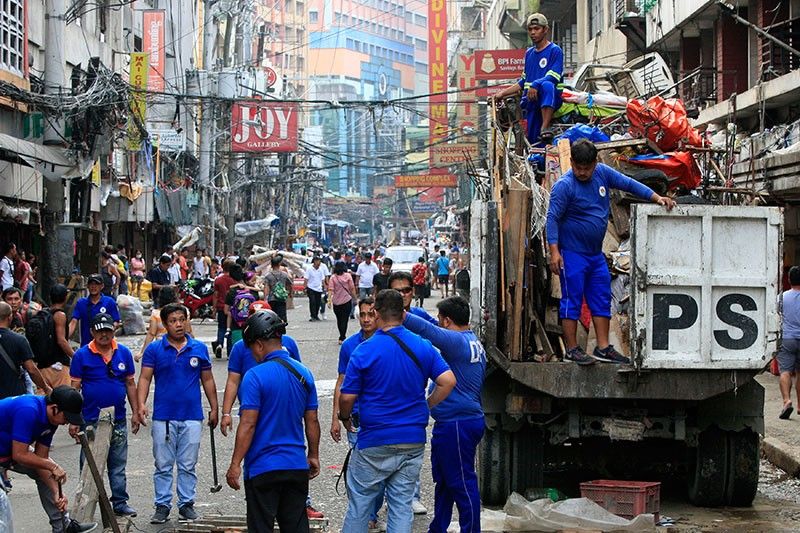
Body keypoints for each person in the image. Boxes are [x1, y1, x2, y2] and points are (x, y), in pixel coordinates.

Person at [546, 139, 676, 365]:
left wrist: (657, 198)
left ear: (595, 163)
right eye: (578, 168)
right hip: (572, 254)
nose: (583, 172)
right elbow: (552, 219)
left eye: (587, 168)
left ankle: (603, 347)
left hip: (595, 255)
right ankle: (572, 349)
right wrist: (554, 252)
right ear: (573, 164)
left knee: (601, 298)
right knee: (571, 301)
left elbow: (630, 184)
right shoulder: (564, 186)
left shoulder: (603, 173)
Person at [339, 289, 456, 532]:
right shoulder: (422, 346)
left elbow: (347, 396)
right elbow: (448, 381)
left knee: (360, 503)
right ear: (404, 314)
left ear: (377, 313)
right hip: (412, 440)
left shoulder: (364, 350)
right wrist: (427, 404)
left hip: (374, 439)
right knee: (401, 505)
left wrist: (344, 416)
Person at [225, 311, 321, 533]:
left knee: (261, 528)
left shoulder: (255, 376)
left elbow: (248, 424)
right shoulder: (304, 373)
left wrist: (235, 464)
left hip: (263, 467)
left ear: (258, 345)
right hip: (296, 466)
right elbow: (312, 420)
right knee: (296, 527)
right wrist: (313, 455)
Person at [403, 297, 486, 533]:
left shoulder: (456, 342)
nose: (439, 323)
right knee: (445, 482)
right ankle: (437, 528)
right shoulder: (471, 339)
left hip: (458, 423)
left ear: (448, 321)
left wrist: (401, 314)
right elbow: (431, 323)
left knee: (461, 482)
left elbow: (428, 329)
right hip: (457, 422)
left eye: (441, 319)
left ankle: (471, 530)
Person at [136, 303, 219, 524]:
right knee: (163, 464)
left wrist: (215, 407)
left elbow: (208, 379)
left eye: (182, 319)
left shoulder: (198, 349)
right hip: (163, 417)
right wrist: (140, 405)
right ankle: (162, 505)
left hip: (192, 415)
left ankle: (186, 504)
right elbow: (144, 378)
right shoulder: (154, 350)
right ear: (164, 325)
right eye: (173, 321)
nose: (179, 324)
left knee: (187, 464)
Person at [0, 386, 98, 533]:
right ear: (54, 408)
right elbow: (19, 454)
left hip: (8, 451)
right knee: (2, 503)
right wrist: (52, 466)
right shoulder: (28, 410)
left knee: (46, 472)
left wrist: (57, 493)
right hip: (11, 452)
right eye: (66, 417)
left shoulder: (51, 420)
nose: (66, 423)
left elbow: (41, 459)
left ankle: (62, 527)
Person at [69, 313, 138, 517]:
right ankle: (85, 507)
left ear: (113, 330)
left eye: (107, 330)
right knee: (88, 467)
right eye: (99, 331)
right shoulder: (81, 355)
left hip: (117, 419)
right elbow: (74, 389)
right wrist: (73, 420)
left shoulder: (123, 353)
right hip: (90, 420)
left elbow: (130, 384)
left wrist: (136, 412)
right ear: (92, 332)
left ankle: (120, 502)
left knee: (117, 465)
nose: (104, 334)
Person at [331, 297, 385, 530]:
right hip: (355, 419)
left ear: (378, 315)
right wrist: (335, 417)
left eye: (370, 314)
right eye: (362, 314)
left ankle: (371, 510)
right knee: (359, 472)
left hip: (382, 419)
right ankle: (366, 514)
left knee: (381, 473)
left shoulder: (388, 343)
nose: (366, 319)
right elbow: (341, 382)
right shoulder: (349, 346)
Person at [492, 13, 563, 145]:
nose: (533, 32)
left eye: (536, 29)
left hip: (550, 98)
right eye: (530, 29)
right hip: (531, 101)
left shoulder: (555, 50)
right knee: (533, 140)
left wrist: (536, 84)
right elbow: (523, 81)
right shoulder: (529, 53)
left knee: (547, 85)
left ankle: (545, 126)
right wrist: (502, 93)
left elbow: (554, 77)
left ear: (545, 30)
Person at [0, 301, 50, 399]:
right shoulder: (19, 339)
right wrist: (46, 388)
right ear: (10, 317)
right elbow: (31, 369)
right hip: (13, 395)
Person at [34, 284, 74, 392]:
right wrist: (75, 356)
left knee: (45, 401)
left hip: (42, 366)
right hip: (57, 366)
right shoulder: (59, 315)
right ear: (65, 297)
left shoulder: (43, 313)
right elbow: (61, 340)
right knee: (63, 399)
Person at [136, 287, 192, 361]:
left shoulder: (156, 314)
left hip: (161, 347)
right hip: (181, 346)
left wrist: (142, 352)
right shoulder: (184, 312)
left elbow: (151, 333)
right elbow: (188, 331)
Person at [69, 274, 121, 347]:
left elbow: (116, 322)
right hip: (87, 346)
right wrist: (65, 337)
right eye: (91, 284)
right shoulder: (81, 303)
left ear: (102, 286)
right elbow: (73, 322)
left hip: (105, 345)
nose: (93, 287)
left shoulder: (109, 302)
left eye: (96, 284)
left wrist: (106, 333)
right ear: (87, 286)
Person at [779, 265, 800, 419]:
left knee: (785, 371)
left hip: (787, 338)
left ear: (789, 279)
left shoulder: (782, 297)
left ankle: (787, 401)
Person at [212, 260, 237, 358]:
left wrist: (214, 309)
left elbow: (215, 295)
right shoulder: (234, 280)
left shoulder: (218, 280)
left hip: (221, 306)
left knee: (221, 327)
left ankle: (219, 343)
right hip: (231, 308)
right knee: (230, 328)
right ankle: (229, 351)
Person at [329, 261, 357, 344]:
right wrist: (355, 298)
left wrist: (329, 300)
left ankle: (341, 335)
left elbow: (330, 289)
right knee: (345, 319)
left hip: (336, 302)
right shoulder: (348, 276)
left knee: (339, 319)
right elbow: (352, 288)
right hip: (346, 300)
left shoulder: (333, 277)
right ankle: (342, 336)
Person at [265, 255, 292, 324]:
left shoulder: (268, 276)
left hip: (271, 299)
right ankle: (281, 330)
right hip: (281, 298)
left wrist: (265, 298)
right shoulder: (284, 275)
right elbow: (289, 285)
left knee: (272, 316)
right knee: (282, 316)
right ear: (279, 264)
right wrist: (290, 293)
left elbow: (266, 288)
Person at [304, 256, 329, 322]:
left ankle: (316, 315)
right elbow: (306, 279)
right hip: (311, 288)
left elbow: (322, 279)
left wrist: (325, 287)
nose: (319, 263)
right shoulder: (309, 269)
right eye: (317, 261)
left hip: (318, 288)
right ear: (314, 261)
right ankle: (312, 316)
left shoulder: (320, 269)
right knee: (312, 302)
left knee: (318, 302)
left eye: (320, 261)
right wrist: (305, 287)